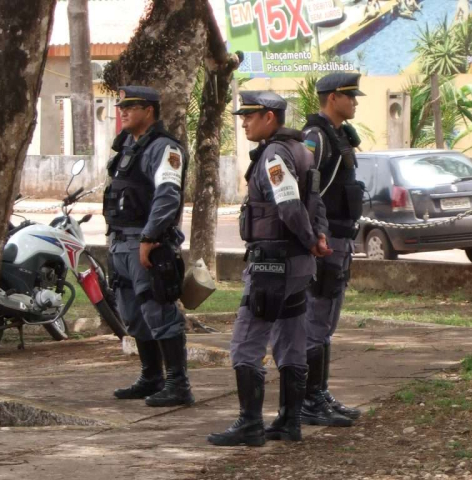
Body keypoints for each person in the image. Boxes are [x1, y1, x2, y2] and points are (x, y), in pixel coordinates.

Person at [207, 91, 332, 447]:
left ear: (269, 117)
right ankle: (290, 422)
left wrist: (310, 238)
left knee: (246, 342)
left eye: (249, 116)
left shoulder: (275, 155)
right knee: (291, 338)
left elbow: (291, 204)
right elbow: (316, 202)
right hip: (297, 265)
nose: (243, 122)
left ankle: (250, 425)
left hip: (272, 264)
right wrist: (317, 237)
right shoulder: (302, 151)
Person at [104, 86, 194, 408]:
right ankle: (151, 377)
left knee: (159, 310)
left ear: (150, 111)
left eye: (132, 106)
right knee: (132, 313)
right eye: (121, 106)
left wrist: (149, 238)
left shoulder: (164, 149)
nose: (123, 111)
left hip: (146, 244)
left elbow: (167, 195)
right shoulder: (127, 145)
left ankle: (178, 384)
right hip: (120, 244)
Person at [300, 73, 366, 427]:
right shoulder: (315, 137)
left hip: (342, 240)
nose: (355, 102)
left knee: (326, 322)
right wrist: (316, 235)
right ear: (333, 97)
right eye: (350, 96)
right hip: (325, 243)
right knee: (316, 320)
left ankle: (320, 393)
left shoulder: (338, 135)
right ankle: (310, 400)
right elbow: (306, 191)